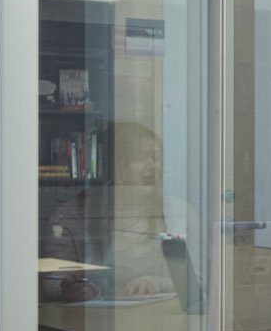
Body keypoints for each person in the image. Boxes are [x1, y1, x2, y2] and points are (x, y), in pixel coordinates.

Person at [41, 121, 177, 303]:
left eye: (156, 158)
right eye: (141, 157)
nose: (152, 166)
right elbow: (52, 282)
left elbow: (198, 282)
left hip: (162, 324)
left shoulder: (176, 212)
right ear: (115, 166)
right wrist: (77, 291)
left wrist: (154, 283)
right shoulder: (71, 216)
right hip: (87, 327)